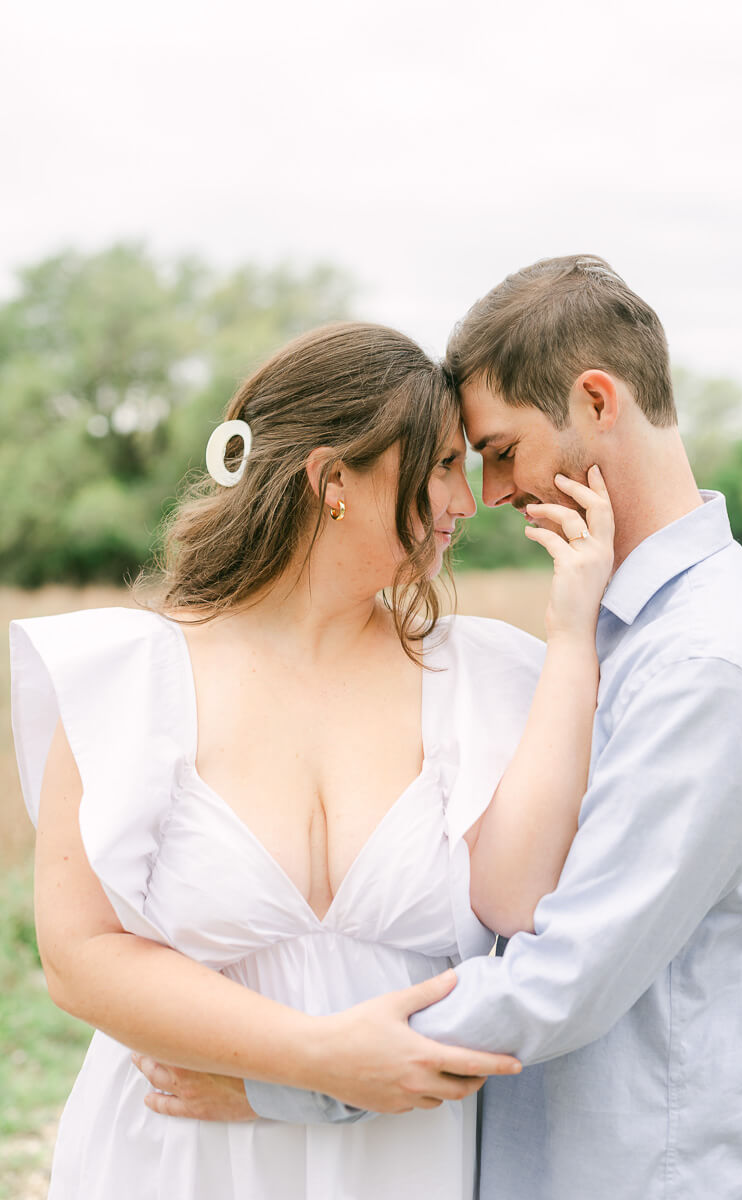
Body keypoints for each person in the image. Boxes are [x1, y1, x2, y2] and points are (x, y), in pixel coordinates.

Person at [150, 258, 742, 1200]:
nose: (488, 492)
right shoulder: (624, 628)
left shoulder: (704, 662)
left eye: (500, 449)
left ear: (596, 400)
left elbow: (563, 976)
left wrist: (294, 1078)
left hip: (645, 1174)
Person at [11, 320, 615, 1199]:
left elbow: (524, 908)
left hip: (405, 1159)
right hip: (176, 1154)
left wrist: (571, 637)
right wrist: (313, 1062)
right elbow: (77, 955)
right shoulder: (131, 677)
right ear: (334, 479)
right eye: (444, 465)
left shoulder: (484, 677)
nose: (469, 498)